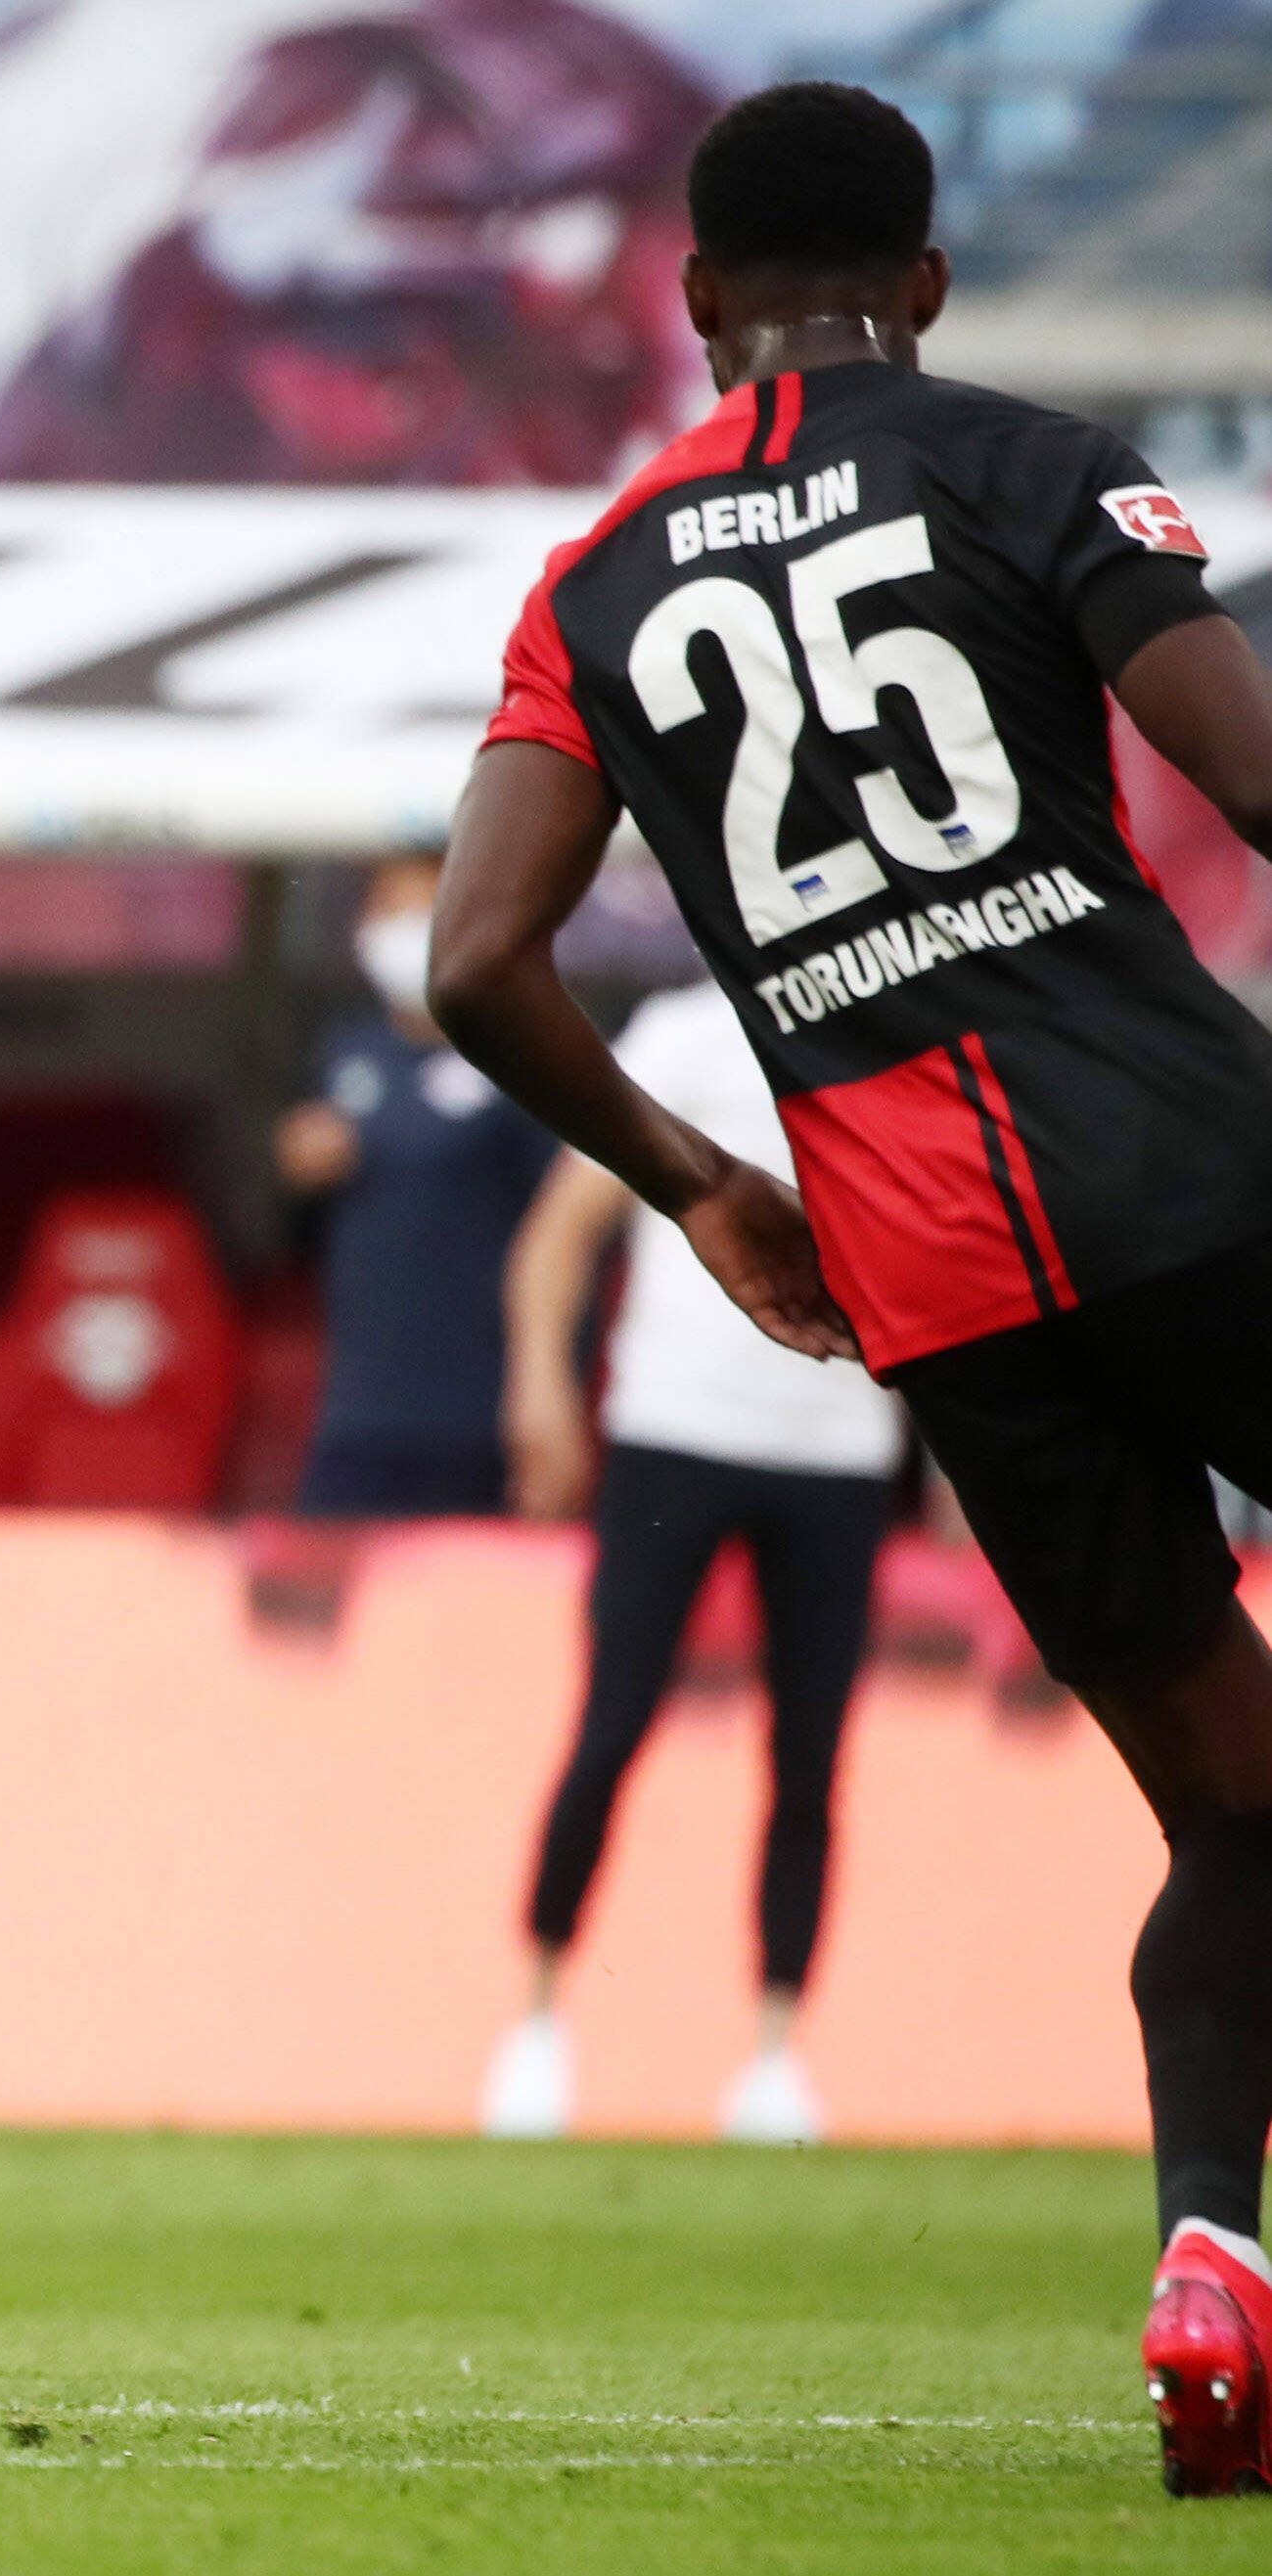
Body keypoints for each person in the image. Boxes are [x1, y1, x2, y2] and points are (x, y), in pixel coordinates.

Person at [427, 82, 1272, 2497]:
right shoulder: (1026, 464)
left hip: (932, 1284)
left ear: (693, 300)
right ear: (920, 280)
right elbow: (1237, 770)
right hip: (1191, 1173)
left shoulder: (590, 580)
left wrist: (694, 1183)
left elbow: (471, 960)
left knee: (1227, 1818)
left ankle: (1209, 2259)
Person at [477, 982, 909, 2148]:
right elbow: (560, 1232)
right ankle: (535, 2020)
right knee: (612, 1722)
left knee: (810, 1754)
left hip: (836, 1441)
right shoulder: (677, 1034)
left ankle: (774, 2054)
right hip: (675, 1429)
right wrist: (540, 1389)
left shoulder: (887, 1025)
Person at [278, 855, 556, 1514]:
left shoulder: (525, 1058)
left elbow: (563, 1236)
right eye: (390, 913)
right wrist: (298, 1175)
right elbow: (293, 1234)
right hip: (360, 1406)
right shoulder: (345, 1051)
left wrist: (545, 1390)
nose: (406, 932)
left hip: (475, 1410)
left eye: (425, 912)